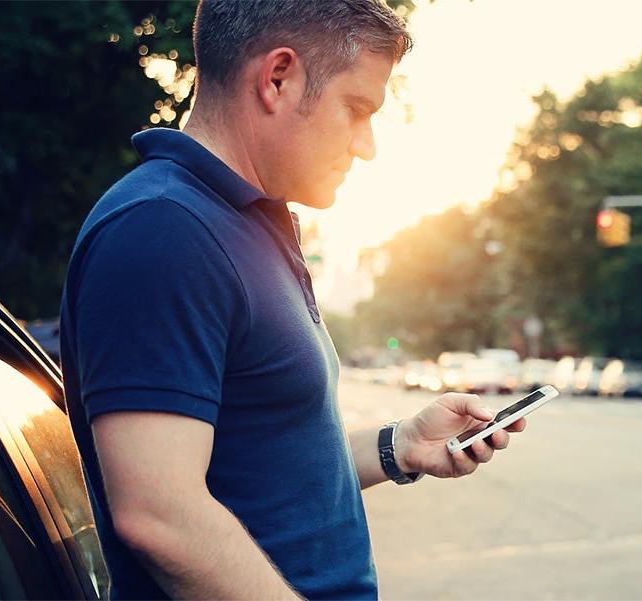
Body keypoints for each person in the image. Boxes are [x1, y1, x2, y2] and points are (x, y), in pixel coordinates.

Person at [59, 1, 526, 599]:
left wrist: (399, 446)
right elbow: (161, 517)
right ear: (278, 78)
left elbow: (268, 470)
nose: (368, 146)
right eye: (356, 110)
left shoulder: (243, 223)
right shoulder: (162, 230)